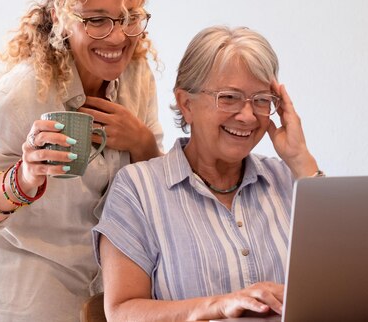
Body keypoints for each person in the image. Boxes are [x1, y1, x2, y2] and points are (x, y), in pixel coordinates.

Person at [0, 0, 163, 322]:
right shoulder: (24, 91)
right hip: (25, 299)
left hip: (105, 294)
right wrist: (25, 177)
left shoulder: (137, 78)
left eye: (129, 19)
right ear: (62, 16)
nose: (116, 36)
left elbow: (154, 193)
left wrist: (143, 144)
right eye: (96, 20)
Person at [93, 26, 322, 321]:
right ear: (186, 104)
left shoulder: (289, 179)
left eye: (262, 100)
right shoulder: (138, 188)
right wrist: (218, 306)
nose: (248, 116)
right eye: (229, 98)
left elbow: (349, 278)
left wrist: (301, 160)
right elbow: (121, 311)